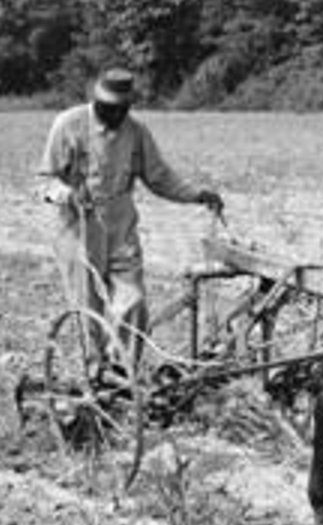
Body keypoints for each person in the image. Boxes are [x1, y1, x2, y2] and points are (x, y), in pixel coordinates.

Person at [38, 67, 223, 373]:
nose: (114, 115)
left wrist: (197, 194)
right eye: (107, 108)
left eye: (120, 109)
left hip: (121, 225)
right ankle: (93, 371)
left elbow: (160, 177)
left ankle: (122, 372)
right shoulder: (68, 125)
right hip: (78, 228)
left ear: (128, 106)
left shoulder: (136, 132)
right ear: (95, 101)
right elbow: (45, 180)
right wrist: (67, 194)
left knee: (134, 301)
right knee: (88, 309)